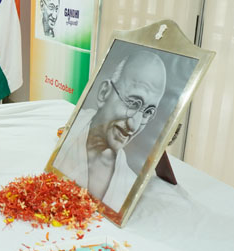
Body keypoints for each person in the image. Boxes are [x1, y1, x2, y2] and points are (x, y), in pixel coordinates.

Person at [53, 51, 167, 211]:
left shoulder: (127, 185)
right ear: (104, 92)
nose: (134, 126)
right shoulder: (70, 135)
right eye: (133, 103)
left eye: (148, 112)